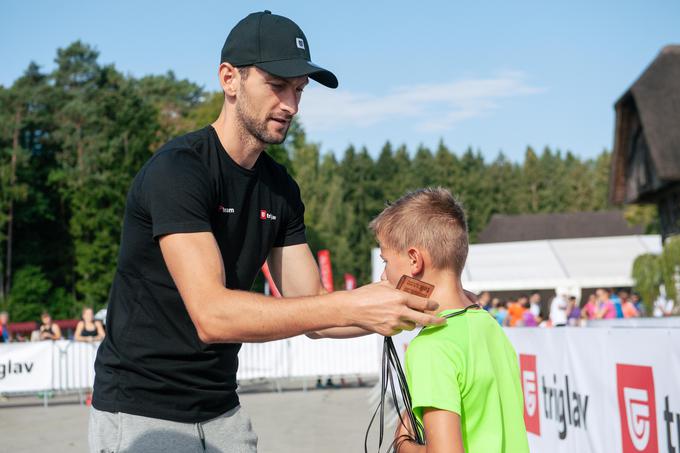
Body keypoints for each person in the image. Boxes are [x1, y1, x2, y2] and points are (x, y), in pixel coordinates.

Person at [89, 11, 444, 453]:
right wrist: (353, 304)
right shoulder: (179, 170)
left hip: (221, 409)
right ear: (229, 79)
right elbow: (212, 316)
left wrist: (411, 304)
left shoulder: (279, 189)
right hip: (143, 412)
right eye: (277, 85)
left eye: (298, 91)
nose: (291, 105)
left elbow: (315, 312)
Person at [369, 188, 529, 453]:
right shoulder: (487, 324)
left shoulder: (431, 347)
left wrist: (403, 444)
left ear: (413, 260)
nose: (384, 276)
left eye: (386, 261)